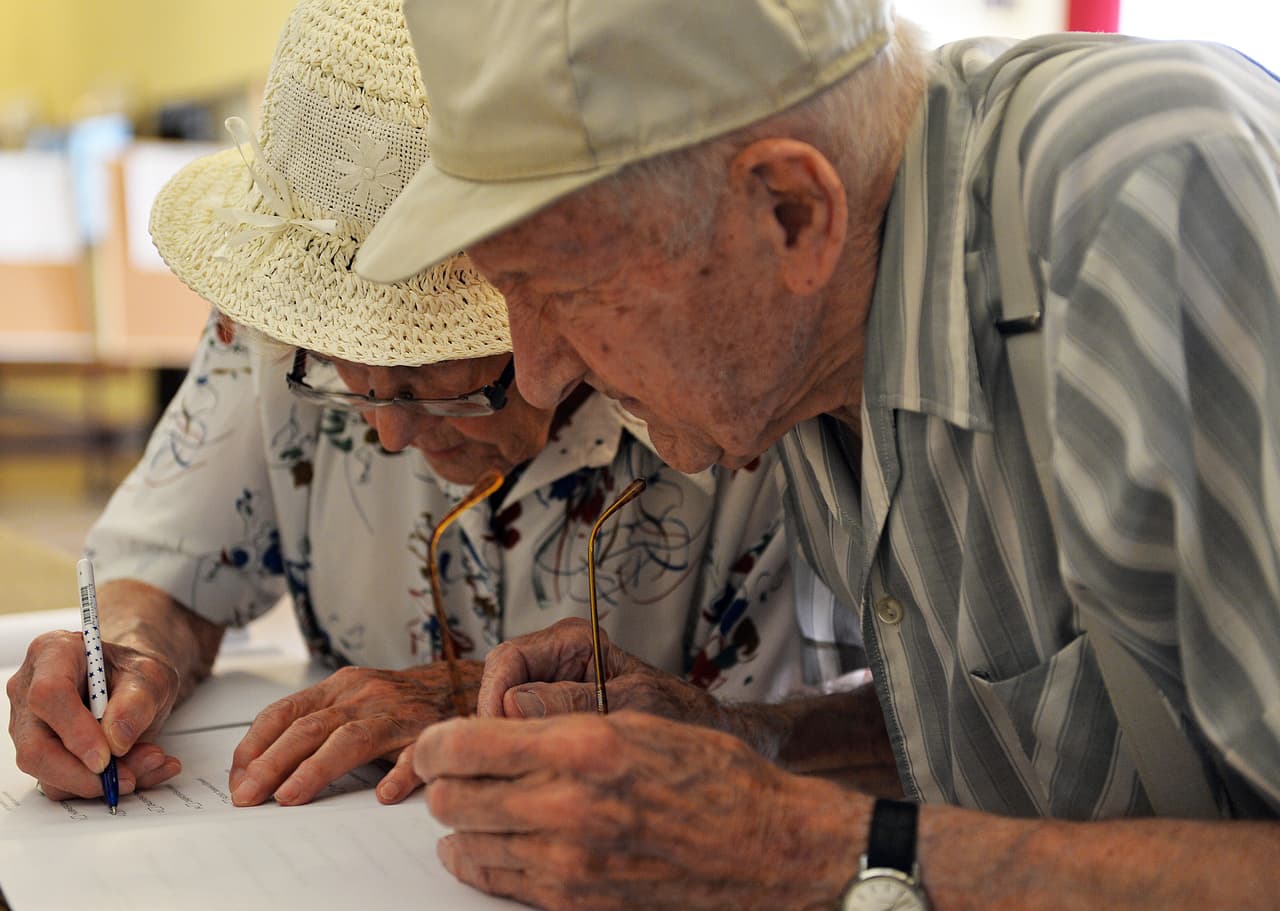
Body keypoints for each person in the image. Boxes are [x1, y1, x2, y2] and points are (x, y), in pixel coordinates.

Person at [352, 0, 1280, 908]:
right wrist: (741, 739)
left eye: (563, 288)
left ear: (792, 211)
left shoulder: (1150, 199)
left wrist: (796, 848)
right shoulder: (796, 346)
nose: (543, 376)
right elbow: (1048, 740)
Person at [5, 0, 811, 816]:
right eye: (339, 370)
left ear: (547, 311)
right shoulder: (273, 329)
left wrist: (482, 702)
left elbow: (880, 728)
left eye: (436, 380)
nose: (386, 430)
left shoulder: (732, 377)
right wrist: (132, 651)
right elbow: (166, 570)